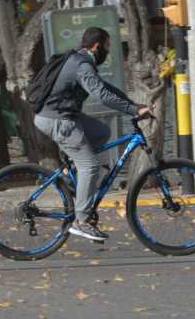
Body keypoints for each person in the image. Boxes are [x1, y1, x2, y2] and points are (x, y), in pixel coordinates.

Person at [33, 27, 152, 242]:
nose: (107, 52)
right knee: (91, 165)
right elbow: (102, 96)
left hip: (63, 116)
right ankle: (81, 221)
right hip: (58, 120)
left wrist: (133, 104)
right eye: (106, 47)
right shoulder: (83, 64)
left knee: (101, 132)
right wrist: (134, 111)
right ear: (97, 46)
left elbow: (105, 87)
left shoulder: (79, 59)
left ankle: (74, 176)